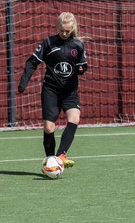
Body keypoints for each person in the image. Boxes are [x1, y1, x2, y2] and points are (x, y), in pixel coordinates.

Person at [18, 12, 88, 168]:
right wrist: (23, 83)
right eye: (62, 30)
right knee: (49, 127)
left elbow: (83, 66)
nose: (64, 33)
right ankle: (50, 161)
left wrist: (82, 69)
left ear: (73, 28)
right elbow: (32, 62)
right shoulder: (48, 43)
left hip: (69, 92)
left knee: (74, 118)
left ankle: (61, 155)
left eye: (67, 31)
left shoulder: (78, 45)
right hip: (51, 91)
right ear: (58, 27)